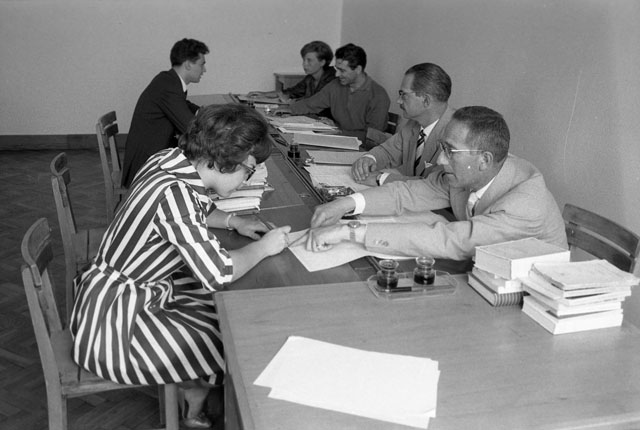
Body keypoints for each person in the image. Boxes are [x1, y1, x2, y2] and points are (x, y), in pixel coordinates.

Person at [71, 104, 291, 428]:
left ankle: (196, 390)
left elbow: (197, 209)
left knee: (218, 311)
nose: (248, 179)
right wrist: (263, 248)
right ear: (229, 159)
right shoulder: (175, 196)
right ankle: (209, 398)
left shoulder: (168, 162)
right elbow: (218, 272)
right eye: (250, 170)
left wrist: (234, 221)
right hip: (114, 324)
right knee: (235, 336)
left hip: (119, 292)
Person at [300, 106, 567, 261]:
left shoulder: (526, 204)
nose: (440, 159)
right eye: (442, 148)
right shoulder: (470, 171)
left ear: (484, 159)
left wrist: (350, 232)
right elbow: (408, 193)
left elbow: (452, 240)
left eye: (450, 151)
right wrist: (345, 204)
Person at [121, 38, 209, 188]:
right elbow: (190, 128)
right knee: (201, 165)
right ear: (188, 64)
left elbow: (184, 104)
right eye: (202, 64)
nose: (204, 70)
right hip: (144, 166)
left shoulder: (169, 81)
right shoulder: (168, 87)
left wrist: (205, 111)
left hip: (151, 155)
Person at [352, 63, 455, 186]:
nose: (398, 100)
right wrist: (369, 159)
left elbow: (437, 185)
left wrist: (380, 178)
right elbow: (388, 151)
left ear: (426, 100)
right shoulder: (414, 123)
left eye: (403, 94)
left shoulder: (457, 134)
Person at [276, 43, 391, 143]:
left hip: (363, 150)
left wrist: (339, 132)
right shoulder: (336, 85)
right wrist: (288, 110)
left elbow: (372, 138)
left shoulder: (378, 95)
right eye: (337, 69)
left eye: (342, 70)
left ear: (358, 70)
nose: (337, 75)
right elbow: (312, 103)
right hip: (338, 139)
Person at [248, 40, 336, 106]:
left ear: (322, 62)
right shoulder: (309, 78)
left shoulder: (332, 80)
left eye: (309, 60)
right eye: (304, 60)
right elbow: (290, 92)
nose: (304, 64)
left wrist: (292, 102)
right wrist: (263, 94)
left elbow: (317, 103)